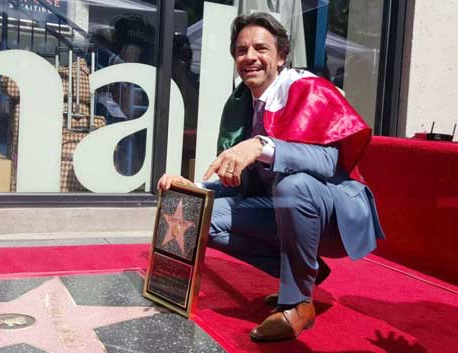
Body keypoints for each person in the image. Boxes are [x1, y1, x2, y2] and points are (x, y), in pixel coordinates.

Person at [158, 12, 384, 342]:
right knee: (200, 217)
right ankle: (307, 274)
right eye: (241, 50)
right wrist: (195, 188)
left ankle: (297, 303)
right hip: (280, 210)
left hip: (333, 217)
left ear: (281, 56)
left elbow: (329, 162)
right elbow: (246, 184)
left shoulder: (311, 90)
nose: (249, 57)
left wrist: (262, 145)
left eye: (260, 49)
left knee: (295, 185)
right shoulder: (243, 106)